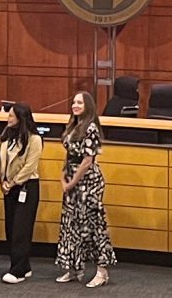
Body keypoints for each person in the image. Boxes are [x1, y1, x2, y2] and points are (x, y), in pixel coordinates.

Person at [56, 91, 115, 289]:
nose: (75, 105)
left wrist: (72, 182)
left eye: (79, 102)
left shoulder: (91, 128)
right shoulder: (73, 125)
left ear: (87, 105)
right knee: (71, 225)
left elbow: (87, 161)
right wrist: (64, 175)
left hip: (88, 183)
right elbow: (70, 155)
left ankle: (102, 271)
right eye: (73, 102)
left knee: (93, 226)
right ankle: (74, 268)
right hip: (72, 178)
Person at [0, 102, 43, 284]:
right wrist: (3, 182)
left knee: (21, 230)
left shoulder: (34, 139)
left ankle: (17, 271)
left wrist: (14, 182)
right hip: (8, 187)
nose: (7, 118)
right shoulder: (7, 136)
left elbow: (29, 166)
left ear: (20, 118)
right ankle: (23, 265)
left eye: (10, 115)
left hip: (26, 187)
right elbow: (1, 161)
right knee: (10, 227)